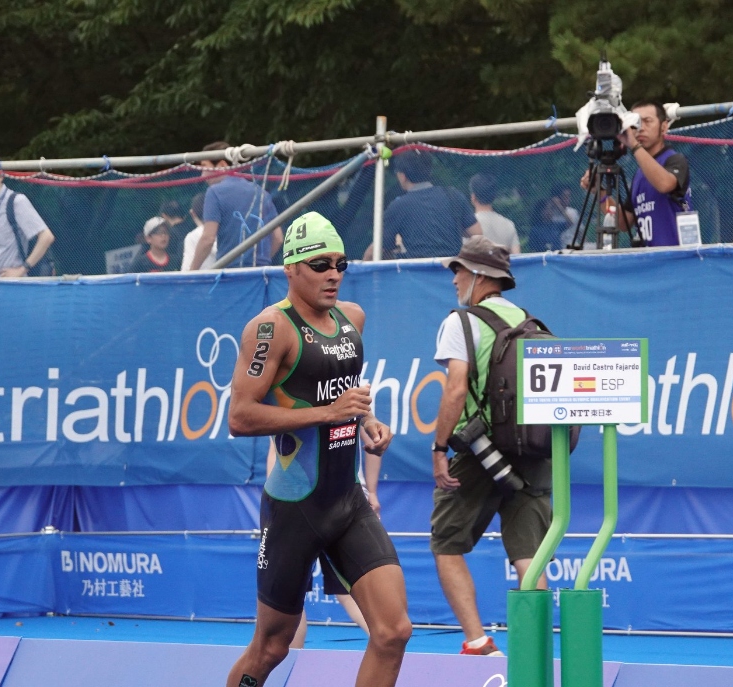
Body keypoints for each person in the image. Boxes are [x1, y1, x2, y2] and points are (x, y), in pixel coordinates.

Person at [226, 211, 411, 687]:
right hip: (295, 508)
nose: (333, 274)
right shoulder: (270, 329)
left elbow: (340, 392)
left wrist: (367, 420)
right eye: (320, 264)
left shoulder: (352, 319)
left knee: (393, 631)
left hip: (346, 502)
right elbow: (240, 417)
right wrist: (329, 413)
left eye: (340, 264)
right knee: (272, 647)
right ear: (291, 268)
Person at [429, 236, 550, 656]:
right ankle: (533, 653)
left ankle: (478, 643)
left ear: (479, 275)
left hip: (478, 452)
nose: (454, 280)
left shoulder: (461, 323)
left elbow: (455, 389)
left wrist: (439, 448)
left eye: (459, 270)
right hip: (533, 451)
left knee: (446, 543)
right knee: (530, 554)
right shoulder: (532, 323)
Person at [265, 440, 377, 647]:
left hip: (336, 503)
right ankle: (290, 661)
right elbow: (276, 452)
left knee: (291, 598)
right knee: (294, 598)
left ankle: (386, 644)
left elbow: (373, 440)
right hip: (305, 504)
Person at [581, 100, 692, 246]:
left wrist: (634, 145)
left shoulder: (674, 159)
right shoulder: (640, 174)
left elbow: (665, 184)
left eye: (647, 121)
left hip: (675, 255)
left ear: (664, 127)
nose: (641, 128)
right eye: (636, 123)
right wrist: (600, 192)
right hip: (648, 257)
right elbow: (622, 222)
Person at [362, 148, 478, 260]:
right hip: (454, 269)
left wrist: (363, 265)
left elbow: (375, 251)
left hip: (418, 271)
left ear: (402, 176)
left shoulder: (398, 206)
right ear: (429, 170)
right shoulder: (453, 195)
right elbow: (477, 234)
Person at [188, 141, 283, 270]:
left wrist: (191, 271)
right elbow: (278, 238)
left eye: (205, 167)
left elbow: (208, 239)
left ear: (222, 165)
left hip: (230, 273)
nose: (203, 175)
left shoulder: (214, 192)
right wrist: (261, 262)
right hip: (260, 273)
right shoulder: (261, 193)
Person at [0, 150, 55, 277]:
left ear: (0, 176)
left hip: (13, 284)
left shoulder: (16, 201)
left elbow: (46, 237)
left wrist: (22, 270)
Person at [469, 173, 520, 253]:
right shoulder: (508, 225)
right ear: (494, 196)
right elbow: (517, 256)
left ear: (473, 197)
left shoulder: (467, 227)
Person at [532, 184, 579, 251]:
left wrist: (560, 207)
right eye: (547, 210)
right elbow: (533, 249)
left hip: (558, 253)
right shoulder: (536, 230)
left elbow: (570, 223)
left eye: (551, 209)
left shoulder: (555, 226)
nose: (550, 212)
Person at [182, 193, 217, 271]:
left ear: (192, 213)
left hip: (204, 277)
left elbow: (186, 269)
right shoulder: (227, 231)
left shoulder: (192, 237)